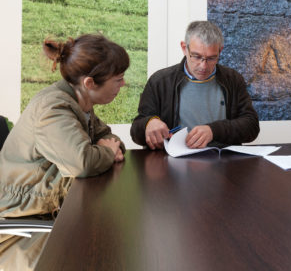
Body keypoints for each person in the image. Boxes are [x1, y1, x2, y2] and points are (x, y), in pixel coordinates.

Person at [0, 34, 128, 269]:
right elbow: (83, 162)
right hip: (23, 220)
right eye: (118, 79)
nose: (123, 85)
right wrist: (106, 152)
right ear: (90, 83)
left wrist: (107, 148)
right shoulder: (54, 108)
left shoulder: (78, 101)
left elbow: (109, 138)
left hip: (49, 210)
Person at [131, 21, 259, 150]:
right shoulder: (160, 81)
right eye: (196, 57)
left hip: (222, 161)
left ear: (220, 51)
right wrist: (148, 123)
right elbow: (136, 131)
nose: (203, 66)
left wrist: (213, 131)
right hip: (174, 162)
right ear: (184, 48)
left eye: (211, 58)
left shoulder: (232, 79)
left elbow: (251, 127)